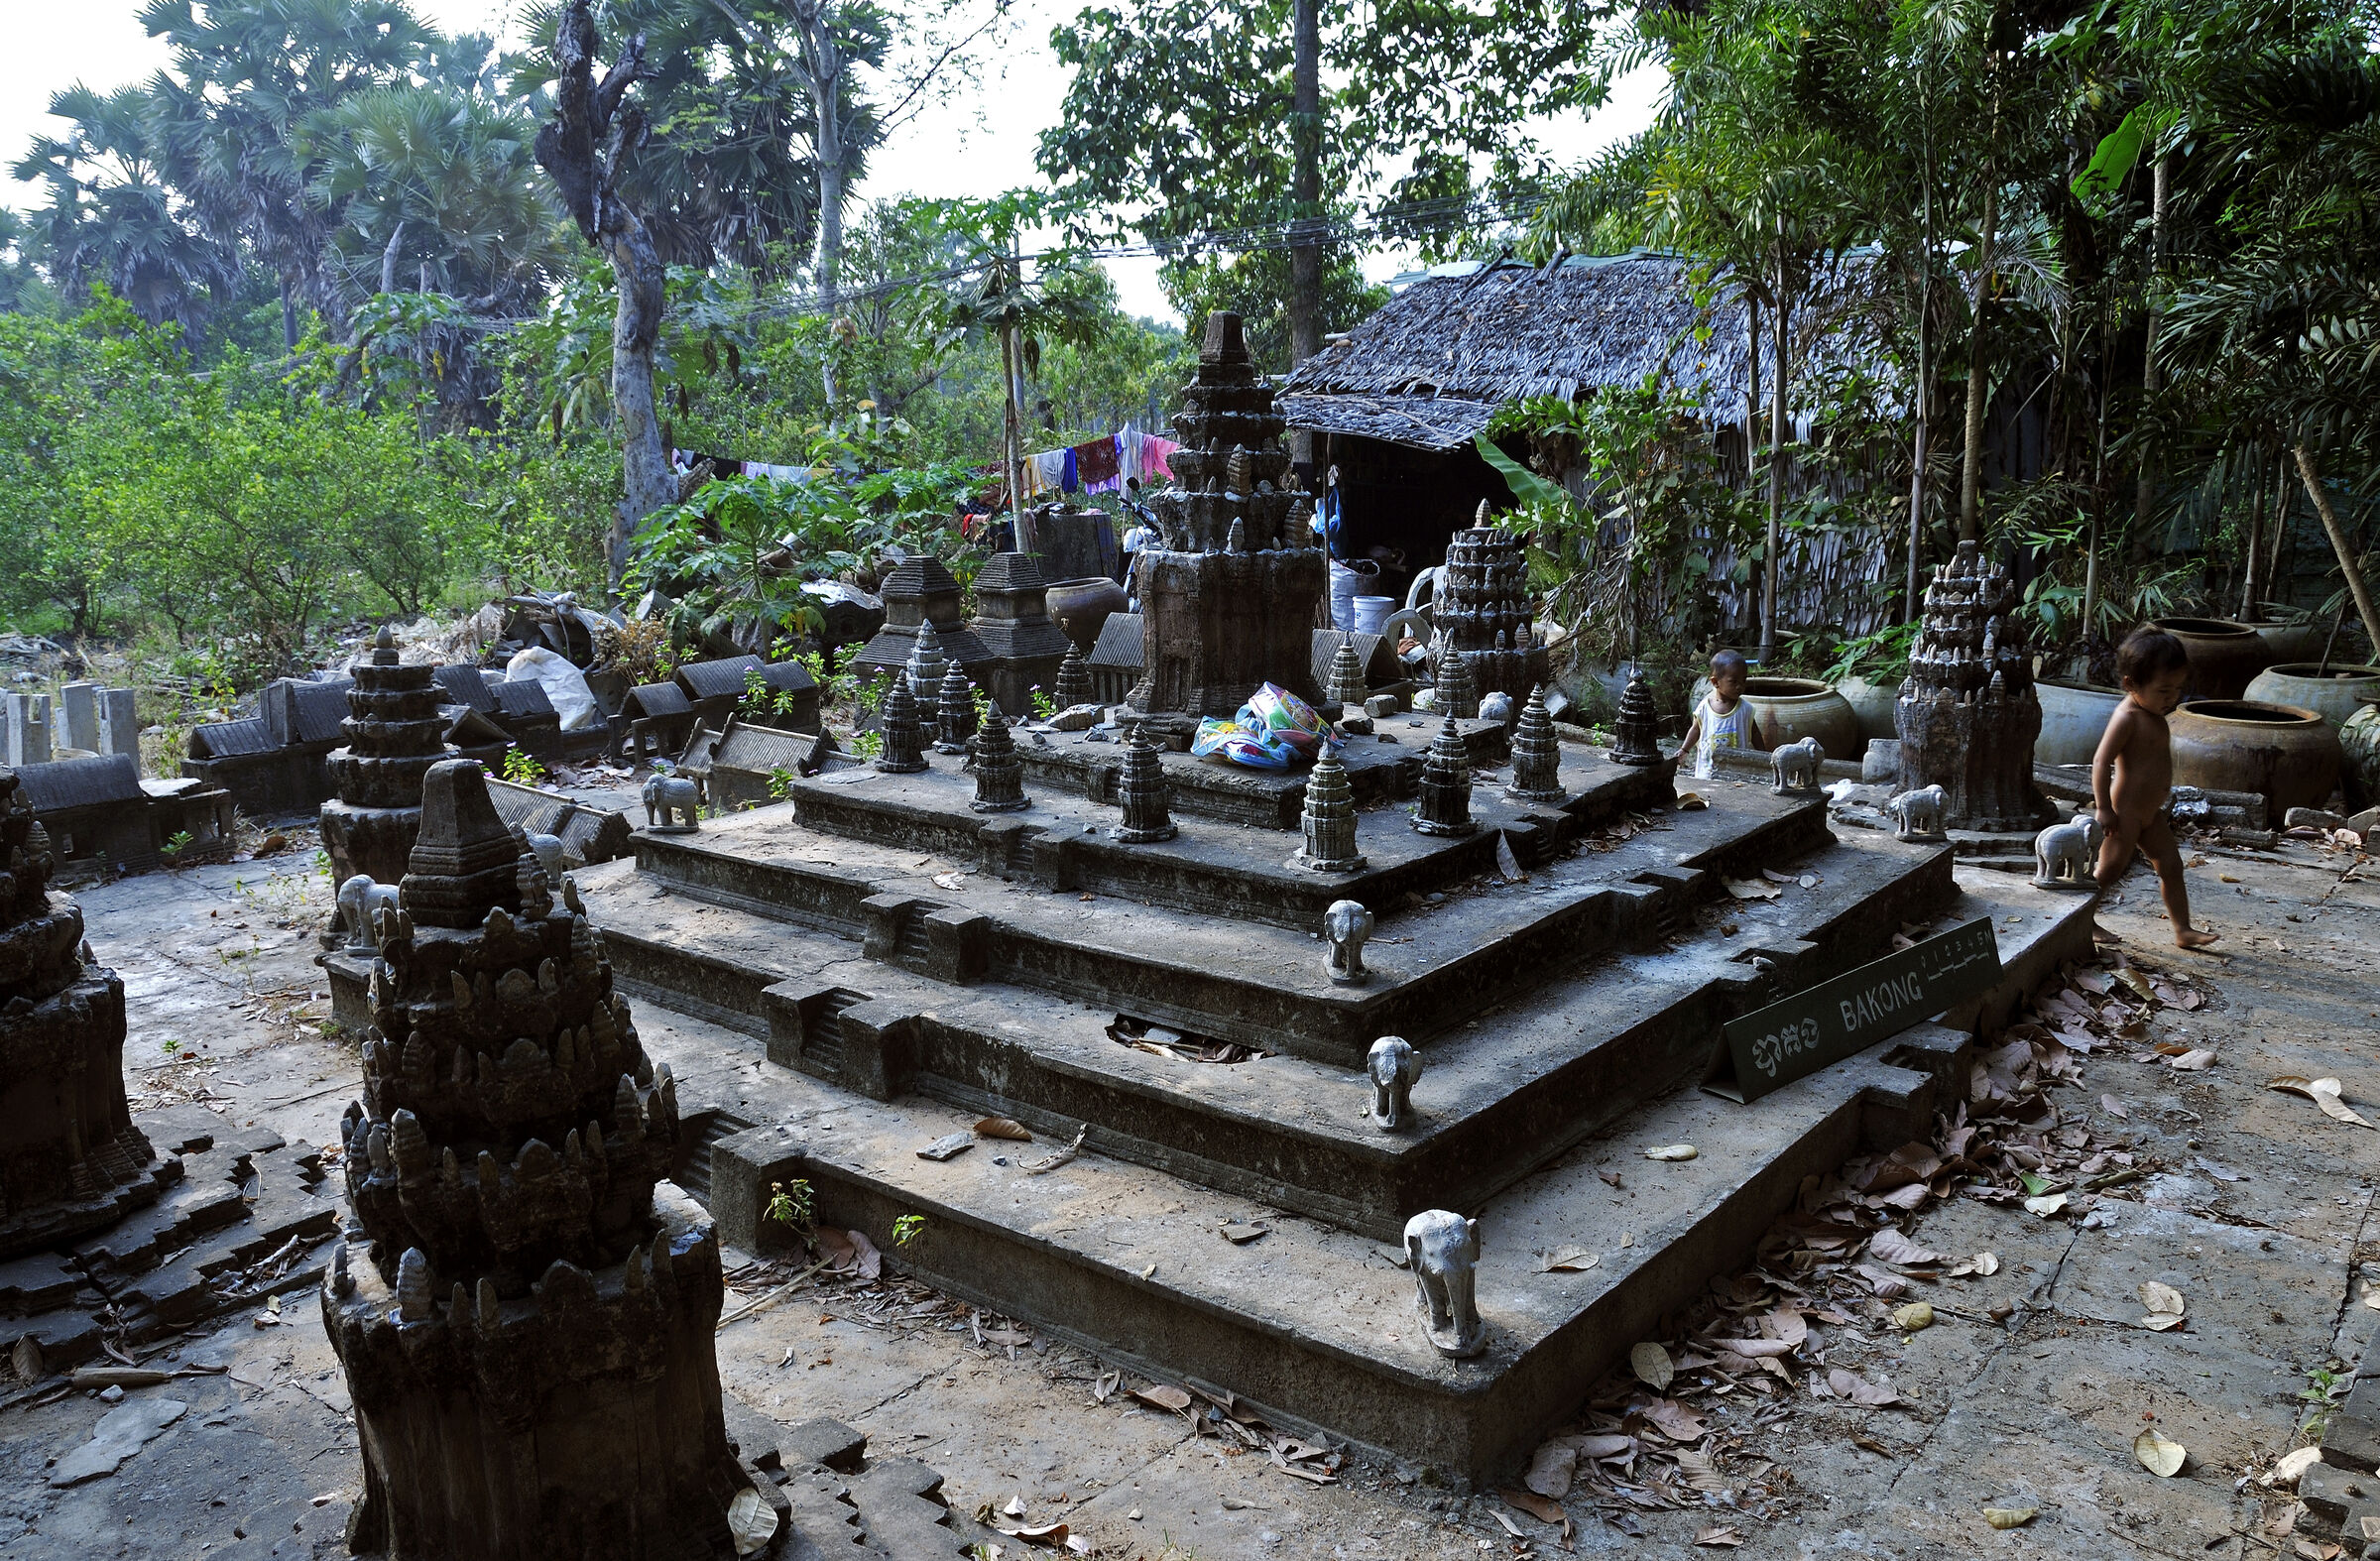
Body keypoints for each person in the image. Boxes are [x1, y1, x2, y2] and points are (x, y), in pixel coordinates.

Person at [2091, 627, 2219, 949]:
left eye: (2177, 689)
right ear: (2131, 684)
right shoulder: (2128, 717)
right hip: (2125, 814)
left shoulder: (2154, 711)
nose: (2172, 698)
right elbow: (2100, 760)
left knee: (2172, 866)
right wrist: (2104, 807)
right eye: (2164, 690)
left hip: (2150, 813)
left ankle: (2183, 930)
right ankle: (2080, 919)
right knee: (2108, 870)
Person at [1676, 649, 1764, 779]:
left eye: (1743, 680)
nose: (1740, 686)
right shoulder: (1705, 708)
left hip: (1738, 773)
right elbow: (1695, 730)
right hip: (1708, 772)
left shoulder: (1746, 709)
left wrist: (1764, 756)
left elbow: (1755, 733)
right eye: (1733, 682)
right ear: (1715, 682)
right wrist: (1684, 750)